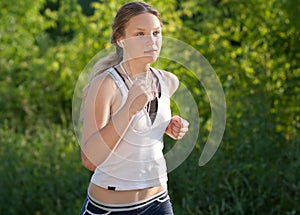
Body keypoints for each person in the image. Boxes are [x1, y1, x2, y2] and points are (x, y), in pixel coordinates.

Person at [79, 1, 189, 214]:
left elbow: (143, 130)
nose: (152, 41)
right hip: (109, 208)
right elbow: (90, 160)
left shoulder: (168, 81)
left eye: (156, 33)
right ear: (121, 40)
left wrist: (170, 124)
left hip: (159, 202)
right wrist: (130, 108)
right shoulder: (106, 85)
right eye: (140, 34)